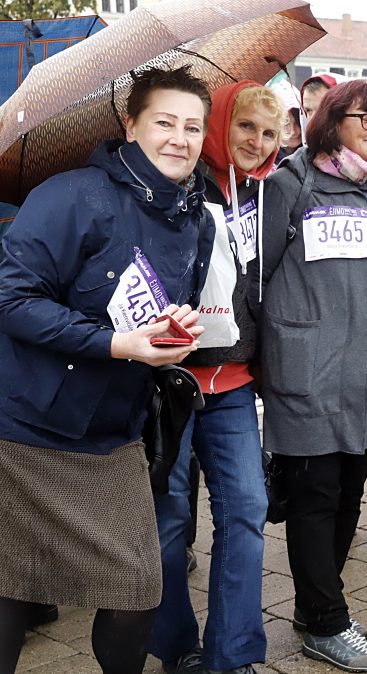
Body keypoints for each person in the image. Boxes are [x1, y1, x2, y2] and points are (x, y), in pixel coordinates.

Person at [0, 65, 214, 674]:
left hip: (116, 433)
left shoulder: (194, 214)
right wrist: (121, 344)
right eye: (164, 123)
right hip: (26, 429)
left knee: (136, 589)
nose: (179, 139)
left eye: (192, 127)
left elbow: (155, 308)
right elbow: (11, 300)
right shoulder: (71, 196)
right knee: (12, 585)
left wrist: (177, 330)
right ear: (131, 125)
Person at [256, 80, 367, 673]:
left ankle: (313, 604)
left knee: (352, 489)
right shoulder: (290, 185)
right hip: (305, 371)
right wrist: (264, 363)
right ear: (332, 121)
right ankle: (327, 622)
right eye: (366, 117)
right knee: (315, 493)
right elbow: (260, 278)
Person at [149, 81, 284, 674]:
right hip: (171, 382)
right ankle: (177, 645)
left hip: (233, 385)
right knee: (169, 519)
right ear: (220, 126)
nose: (257, 141)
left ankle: (230, 656)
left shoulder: (267, 193)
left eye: (270, 132)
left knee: (246, 512)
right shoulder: (175, 184)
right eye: (245, 127)